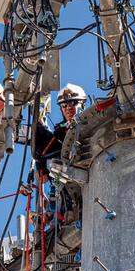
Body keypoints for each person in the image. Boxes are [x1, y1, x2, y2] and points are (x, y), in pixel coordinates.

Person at [29, 83, 87, 224]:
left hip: (86, 173)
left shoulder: (91, 122)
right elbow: (46, 155)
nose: (68, 108)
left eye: (73, 103)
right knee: (53, 166)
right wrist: (40, 165)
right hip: (69, 184)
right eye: (64, 105)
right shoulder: (59, 132)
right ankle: (55, 212)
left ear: (82, 104)